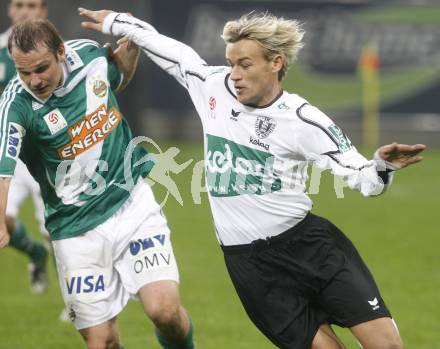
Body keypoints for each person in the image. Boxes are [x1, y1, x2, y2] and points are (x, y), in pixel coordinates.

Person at [79, 8, 426, 349]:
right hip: (254, 270)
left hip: (312, 249)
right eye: (231, 64)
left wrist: (382, 166)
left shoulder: (302, 119)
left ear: (275, 63)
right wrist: (114, 21)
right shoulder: (211, 87)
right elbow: (168, 49)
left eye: (245, 64)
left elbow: (361, 177)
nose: (235, 74)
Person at [0, 18, 195, 349]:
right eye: (24, 72)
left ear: (61, 52)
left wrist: (128, 50)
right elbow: (3, 164)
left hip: (130, 202)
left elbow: (116, 77)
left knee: (166, 311)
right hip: (74, 228)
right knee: (101, 342)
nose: (34, 80)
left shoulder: (90, 57)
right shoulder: (16, 103)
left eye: (41, 69)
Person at [0, 0, 49, 294]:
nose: (24, 11)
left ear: (42, 12)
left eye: (31, 5)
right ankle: (34, 252)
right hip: (10, 154)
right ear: (9, 10)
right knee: (3, 216)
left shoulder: (55, 53)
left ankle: (76, 302)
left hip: (48, 153)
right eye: (18, 4)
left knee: (55, 231)